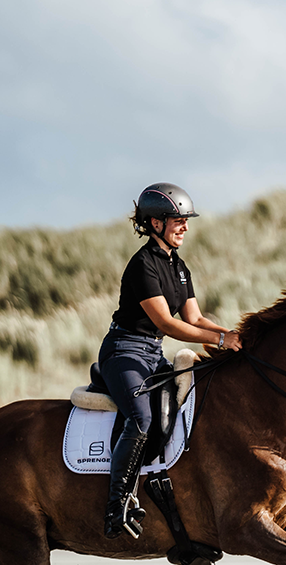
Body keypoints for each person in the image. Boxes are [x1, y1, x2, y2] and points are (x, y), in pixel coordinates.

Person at [98, 182, 242, 540]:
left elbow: (195, 319)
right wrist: (220, 340)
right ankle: (117, 505)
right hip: (124, 351)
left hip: (152, 353)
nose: (185, 227)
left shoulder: (178, 266)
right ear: (155, 223)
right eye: (178, 220)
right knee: (142, 418)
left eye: (185, 220)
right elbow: (167, 323)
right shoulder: (142, 264)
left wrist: (237, 336)